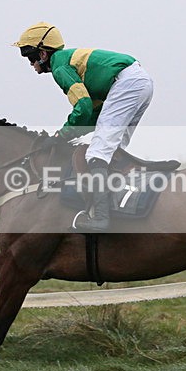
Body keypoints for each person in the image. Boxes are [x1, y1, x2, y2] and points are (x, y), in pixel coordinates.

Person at [14, 21, 154, 232]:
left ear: (43, 54)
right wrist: (65, 135)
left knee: (97, 153)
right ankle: (120, 206)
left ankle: (101, 217)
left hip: (127, 84)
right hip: (139, 82)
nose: (31, 63)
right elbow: (92, 116)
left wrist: (61, 135)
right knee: (113, 151)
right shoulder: (74, 65)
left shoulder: (60, 66)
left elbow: (83, 106)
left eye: (30, 57)